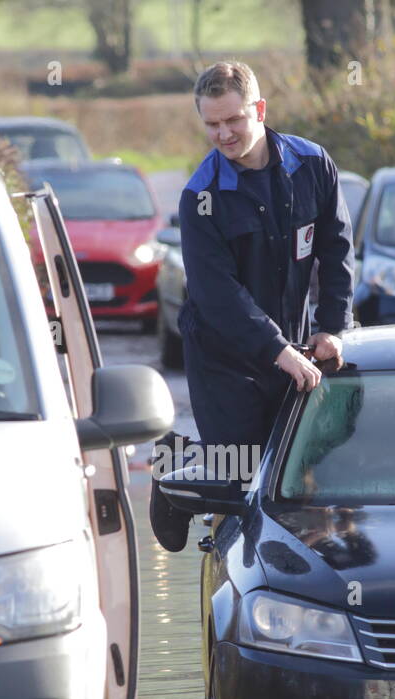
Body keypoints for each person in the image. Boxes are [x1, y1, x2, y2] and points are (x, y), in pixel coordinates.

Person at [150, 60, 355, 551]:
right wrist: (276, 349)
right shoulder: (200, 196)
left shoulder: (312, 165)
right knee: (240, 477)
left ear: (259, 110)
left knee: (292, 467)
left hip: (291, 340)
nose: (223, 134)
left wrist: (333, 326)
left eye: (233, 120)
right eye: (212, 125)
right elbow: (217, 293)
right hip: (223, 351)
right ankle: (173, 475)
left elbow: (337, 248)